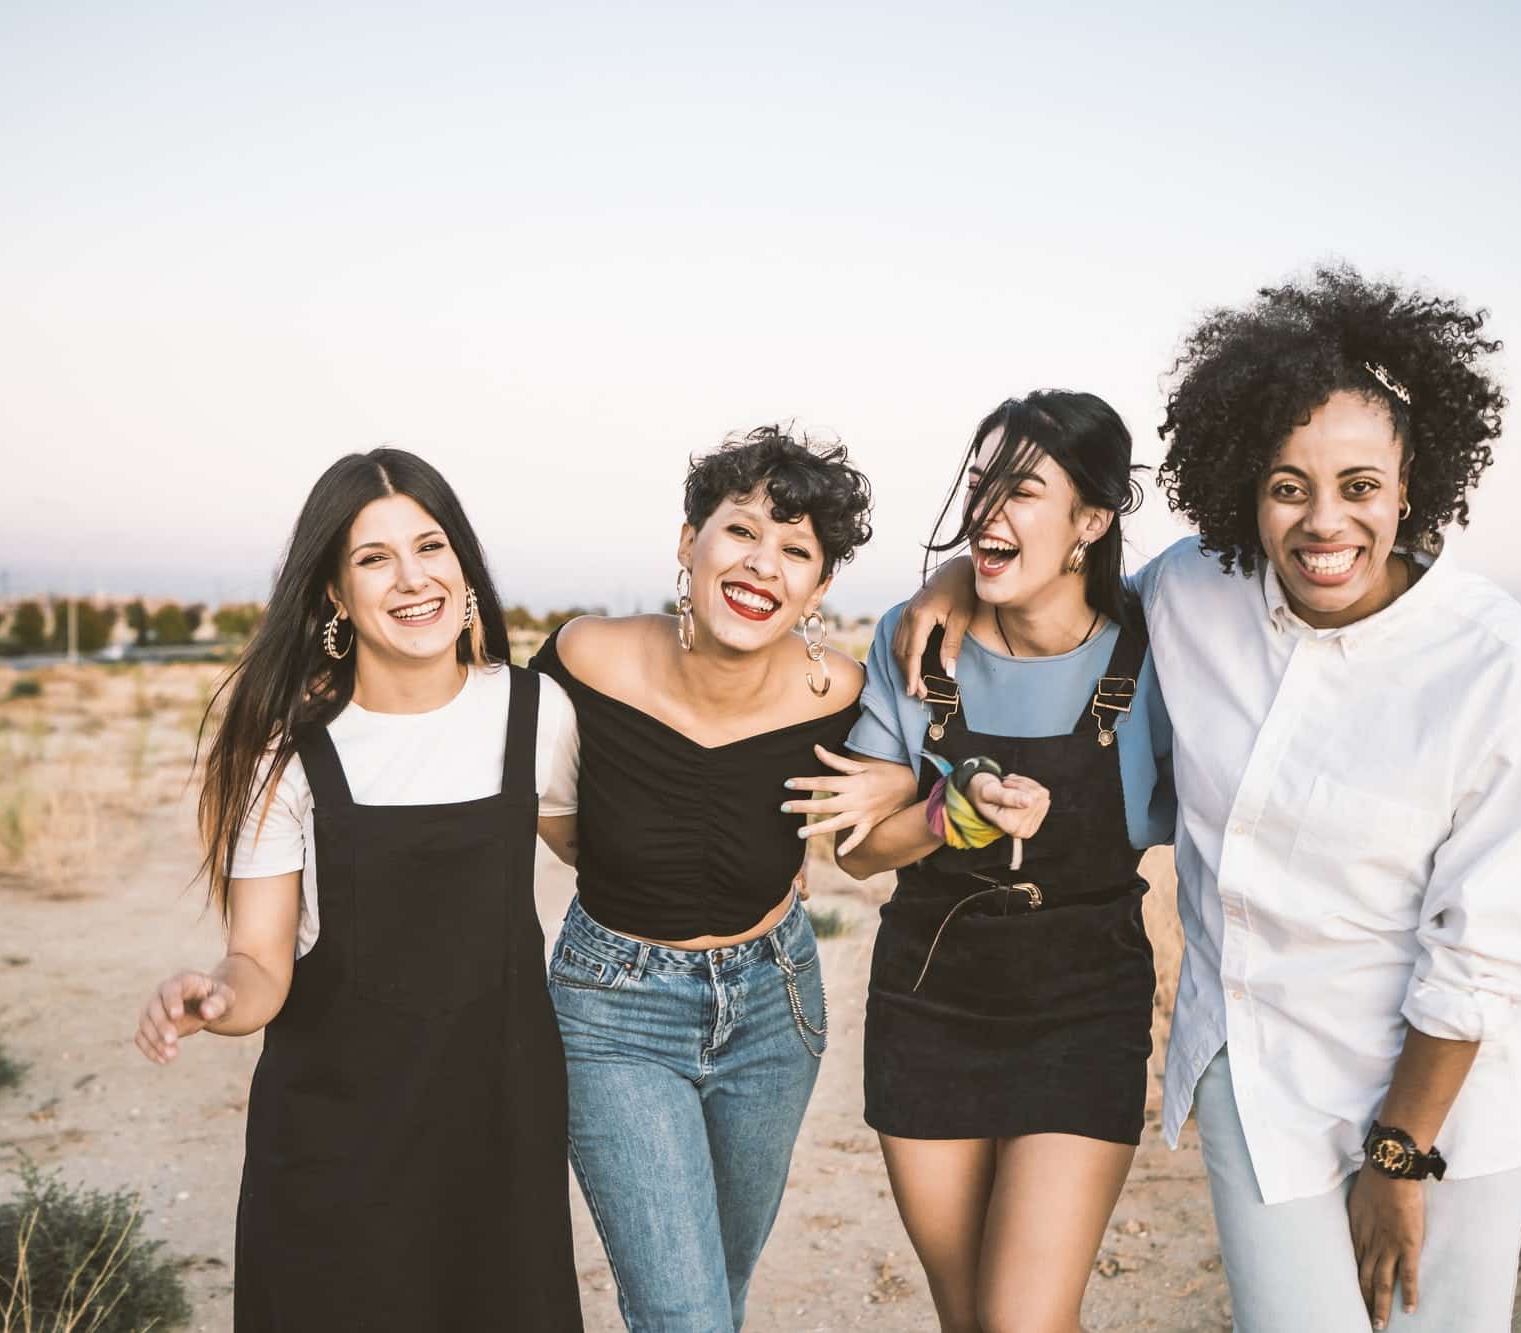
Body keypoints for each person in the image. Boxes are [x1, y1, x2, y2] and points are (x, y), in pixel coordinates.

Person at [894, 267, 1521, 1332]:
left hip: (1443, 1097)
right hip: (1256, 1079)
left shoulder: (1493, 662)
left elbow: (1486, 943)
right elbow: (1059, 586)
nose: (1322, 522)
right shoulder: (1192, 591)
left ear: (1410, 485)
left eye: (1358, 485)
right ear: (1242, 488)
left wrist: (1399, 1156)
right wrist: (946, 583)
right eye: (1285, 485)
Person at [132, 448, 583, 1331]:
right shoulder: (287, 750)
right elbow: (260, 960)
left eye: (432, 546)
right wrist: (216, 996)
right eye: (374, 558)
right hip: (337, 1140)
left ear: (462, 562)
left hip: (499, 1126)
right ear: (335, 591)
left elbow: (608, 867)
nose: (413, 579)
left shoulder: (538, 713)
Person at [530, 427, 904, 1333]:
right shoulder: (587, 659)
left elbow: (863, 849)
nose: (763, 563)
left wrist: (904, 783)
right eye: (741, 530)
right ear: (687, 543)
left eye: (797, 550)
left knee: (717, 1295)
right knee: (685, 1315)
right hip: (613, 1012)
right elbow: (555, 818)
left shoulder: (845, 695)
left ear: (817, 589)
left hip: (775, 1005)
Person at [832, 390, 1175, 1333]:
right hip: (931, 1001)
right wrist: (949, 813)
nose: (988, 510)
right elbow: (855, 851)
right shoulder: (917, 638)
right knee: (971, 1319)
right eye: (979, 484)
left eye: (1023, 489)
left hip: (1084, 1011)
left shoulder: (1158, 650)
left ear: (1092, 520)